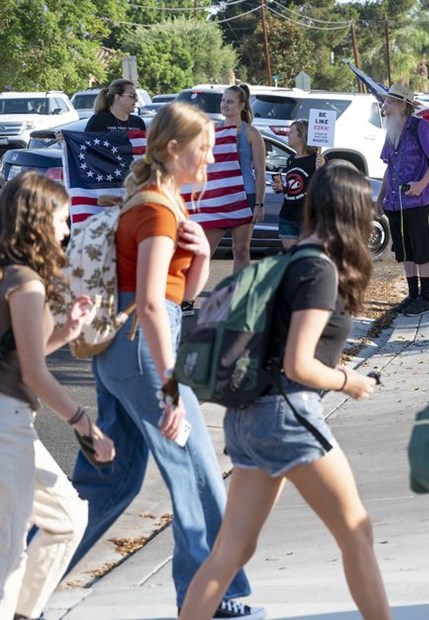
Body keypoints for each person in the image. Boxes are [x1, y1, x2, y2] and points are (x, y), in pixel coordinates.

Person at [68, 103, 262, 619]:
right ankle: (216, 598)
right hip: (143, 348)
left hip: (127, 350)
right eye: (204, 147)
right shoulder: (154, 208)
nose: (212, 156)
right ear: (174, 149)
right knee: (196, 470)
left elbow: (181, 294)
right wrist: (172, 384)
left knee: (110, 480)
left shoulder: (161, 203)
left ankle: (20, 579)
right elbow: (152, 302)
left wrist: (199, 256)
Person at [179, 163, 392, 620]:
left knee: (231, 550)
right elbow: (299, 363)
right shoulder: (320, 271)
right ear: (353, 212)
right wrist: (347, 382)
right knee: (357, 532)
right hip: (286, 414)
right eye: (368, 203)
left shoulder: (294, 259)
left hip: (247, 418)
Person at [0, 172, 115, 620]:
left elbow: (17, 356)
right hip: (7, 421)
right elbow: (33, 371)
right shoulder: (25, 282)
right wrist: (84, 425)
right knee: (9, 549)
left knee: (66, 518)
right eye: (61, 220)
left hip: (13, 419)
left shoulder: (12, 274)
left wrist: (65, 332)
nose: (66, 230)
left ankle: (26, 613)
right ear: (37, 220)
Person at [375, 83, 429, 317]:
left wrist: (422, 184)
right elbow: (389, 167)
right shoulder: (391, 129)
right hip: (395, 202)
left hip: (416, 200)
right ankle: (413, 295)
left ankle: (426, 297)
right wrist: (380, 198)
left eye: (389, 102)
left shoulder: (419, 127)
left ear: (402, 105)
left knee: (420, 248)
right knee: (404, 250)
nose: (385, 105)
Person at [201, 84, 267, 274]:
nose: (224, 105)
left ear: (242, 105)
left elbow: (260, 171)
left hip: (245, 194)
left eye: (229, 101)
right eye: (223, 100)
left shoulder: (251, 133)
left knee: (240, 249)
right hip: (219, 195)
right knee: (205, 249)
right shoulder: (213, 130)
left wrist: (260, 204)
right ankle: (188, 296)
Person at [274, 119, 325, 249]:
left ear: (302, 136)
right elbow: (290, 188)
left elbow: (325, 185)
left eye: (291, 132)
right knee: (292, 258)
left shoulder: (317, 159)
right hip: (287, 215)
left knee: (305, 259)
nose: (287, 135)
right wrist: (280, 187)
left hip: (307, 217)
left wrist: (322, 168)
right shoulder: (290, 160)